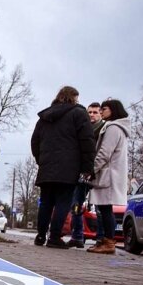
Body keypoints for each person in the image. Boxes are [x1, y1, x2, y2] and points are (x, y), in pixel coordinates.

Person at [30, 86, 94, 248]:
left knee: (45, 203)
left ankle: (40, 236)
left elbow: (34, 142)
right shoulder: (79, 114)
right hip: (69, 168)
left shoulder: (44, 117)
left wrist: (41, 160)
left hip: (46, 167)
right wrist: (87, 168)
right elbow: (87, 141)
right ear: (73, 98)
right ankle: (55, 237)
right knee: (62, 203)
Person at [87, 98, 131, 255]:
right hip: (112, 174)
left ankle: (108, 242)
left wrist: (91, 170)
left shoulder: (113, 128)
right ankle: (106, 241)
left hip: (108, 175)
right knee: (105, 208)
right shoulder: (119, 128)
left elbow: (104, 153)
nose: (101, 111)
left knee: (105, 209)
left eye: (104, 109)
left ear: (113, 110)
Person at [67, 102, 105, 247]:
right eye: (89, 112)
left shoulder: (104, 130)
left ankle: (101, 238)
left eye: (95, 112)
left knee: (100, 207)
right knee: (76, 205)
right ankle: (77, 235)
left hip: (99, 173)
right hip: (82, 173)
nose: (92, 115)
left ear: (100, 113)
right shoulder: (82, 129)